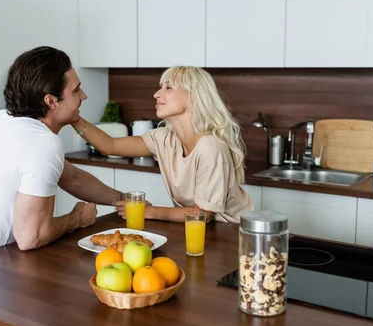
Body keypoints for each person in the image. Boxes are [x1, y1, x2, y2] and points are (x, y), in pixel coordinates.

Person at [0, 46, 125, 264]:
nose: (83, 96)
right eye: (76, 90)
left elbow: (71, 177)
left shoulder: (2, 123)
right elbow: (31, 237)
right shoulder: (42, 143)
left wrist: (125, 200)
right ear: (51, 101)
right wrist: (77, 219)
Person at [72, 66, 253, 223]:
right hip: (199, 231)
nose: (157, 94)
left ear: (193, 97)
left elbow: (204, 214)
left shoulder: (210, 147)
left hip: (231, 232)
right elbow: (110, 146)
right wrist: (74, 118)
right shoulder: (165, 138)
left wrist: (149, 211)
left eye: (168, 87)